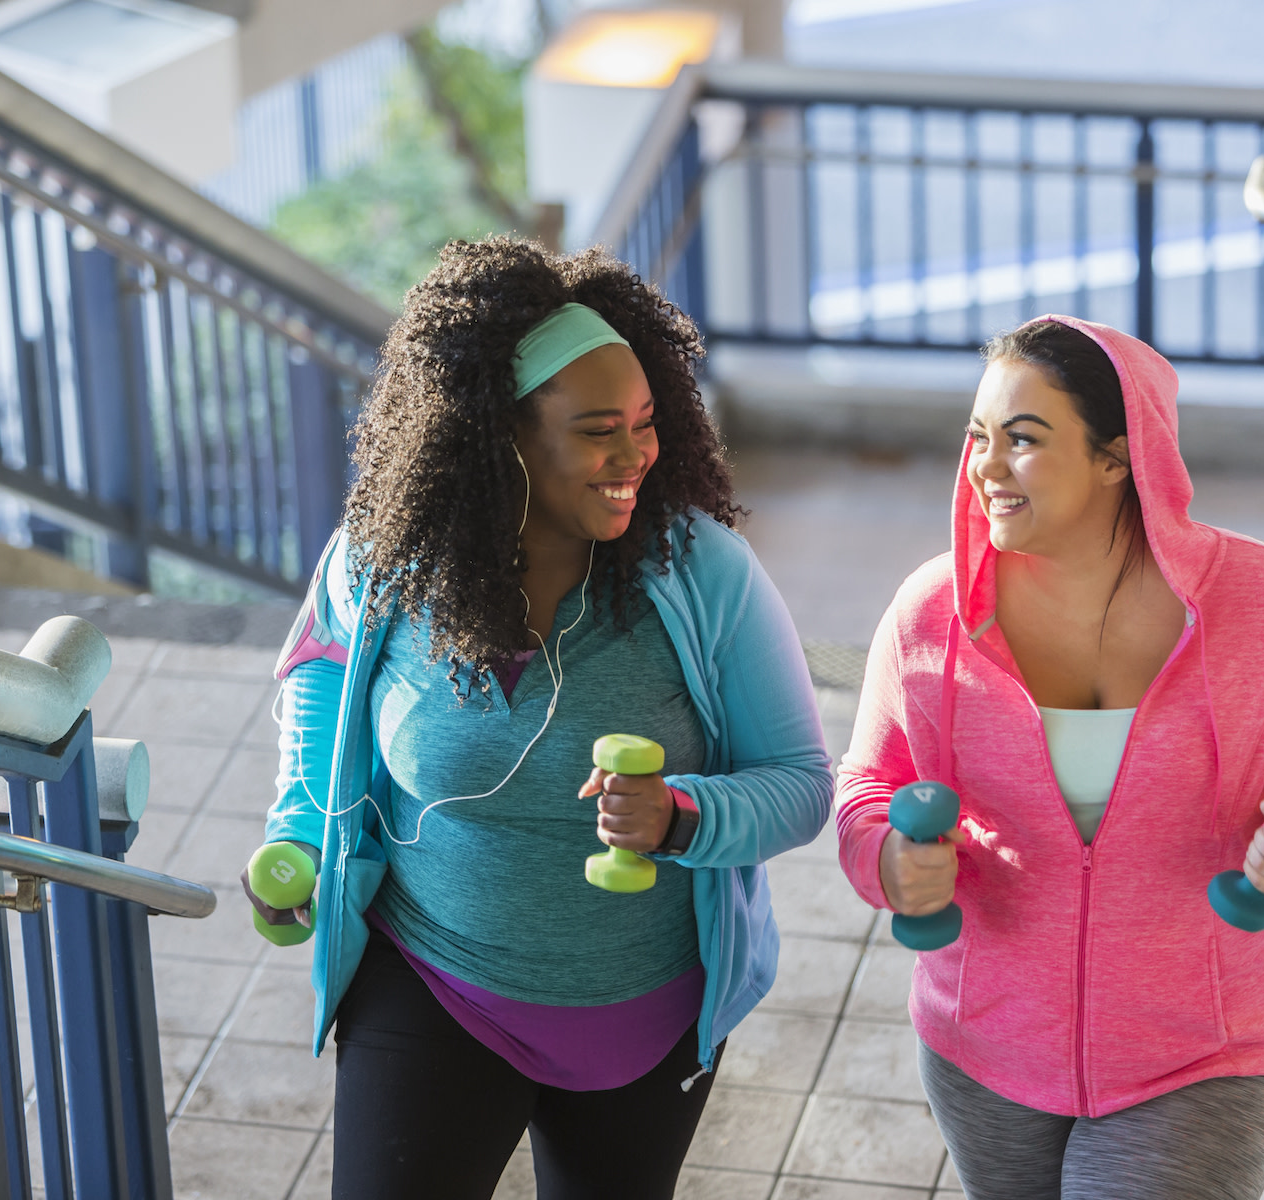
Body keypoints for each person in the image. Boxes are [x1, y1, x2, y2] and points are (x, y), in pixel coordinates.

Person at [246, 238, 832, 1199]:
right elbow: (321, 672)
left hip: (645, 1016)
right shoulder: (388, 560)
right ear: (499, 435)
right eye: (601, 429)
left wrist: (683, 817)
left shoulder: (705, 574)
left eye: (647, 423)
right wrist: (300, 829)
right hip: (434, 982)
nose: (637, 454)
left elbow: (803, 785)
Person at [835, 315, 1264, 1200]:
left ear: (1118, 459)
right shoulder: (928, 615)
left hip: (1202, 1050)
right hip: (984, 1045)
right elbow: (867, 787)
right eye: (978, 437)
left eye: (1023, 439)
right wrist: (887, 861)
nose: (984, 466)